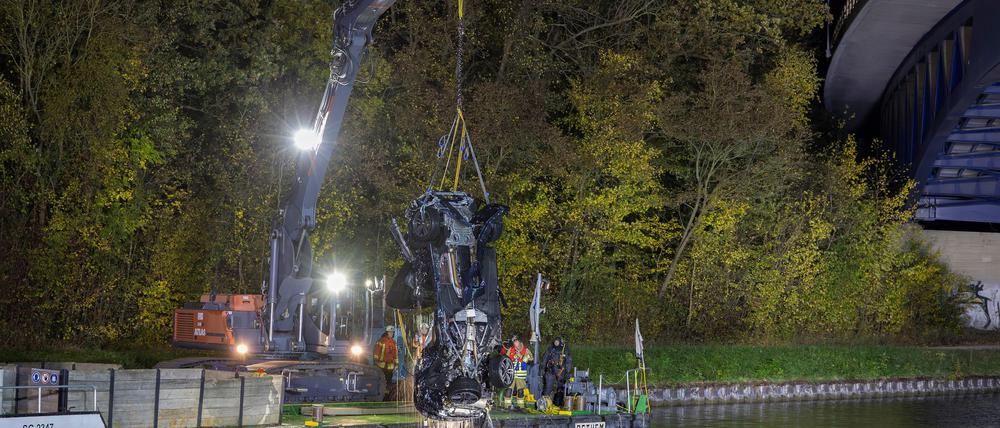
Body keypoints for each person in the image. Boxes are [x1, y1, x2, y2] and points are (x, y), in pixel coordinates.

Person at [542, 337, 572, 406]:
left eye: (557, 342)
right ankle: (544, 404)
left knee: (560, 389)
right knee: (548, 388)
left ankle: (558, 404)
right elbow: (545, 359)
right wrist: (542, 368)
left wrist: (567, 371)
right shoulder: (550, 349)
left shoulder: (565, 349)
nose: (556, 343)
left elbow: (568, 361)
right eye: (555, 341)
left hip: (560, 371)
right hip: (551, 370)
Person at [374, 325, 399, 398]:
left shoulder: (393, 343)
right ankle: (380, 394)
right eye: (390, 332)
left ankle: (386, 396)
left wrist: (396, 364)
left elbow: (395, 355)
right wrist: (376, 360)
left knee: (389, 381)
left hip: (390, 366)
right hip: (381, 365)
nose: (391, 334)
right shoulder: (381, 341)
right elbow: (377, 352)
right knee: (382, 380)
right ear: (387, 333)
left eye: (392, 332)